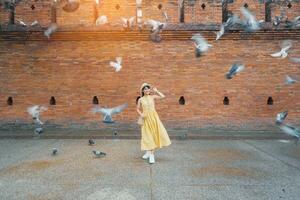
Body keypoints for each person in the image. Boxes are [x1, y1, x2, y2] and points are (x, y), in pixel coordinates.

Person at [136, 83, 171, 164]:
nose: (147, 90)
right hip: (146, 119)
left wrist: (156, 91)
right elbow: (137, 108)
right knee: (147, 136)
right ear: (142, 91)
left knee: (154, 134)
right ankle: (148, 152)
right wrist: (141, 114)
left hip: (154, 118)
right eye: (145, 89)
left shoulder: (152, 97)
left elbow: (163, 96)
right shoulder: (140, 99)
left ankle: (151, 155)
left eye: (148, 88)